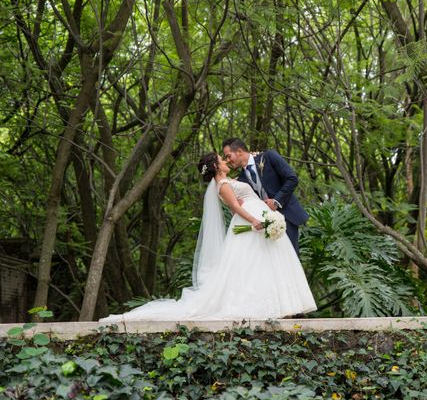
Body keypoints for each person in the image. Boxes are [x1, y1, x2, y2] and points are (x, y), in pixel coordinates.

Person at [99, 152, 316, 322]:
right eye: (222, 160)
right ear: (215, 166)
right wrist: (254, 221)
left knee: (265, 265)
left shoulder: (230, 180)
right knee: (255, 266)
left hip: (258, 217)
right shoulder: (222, 186)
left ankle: (282, 306)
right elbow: (234, 208)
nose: (225, 161)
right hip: (252, 222)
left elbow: (240, 196)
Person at [222, 138, 308, 255]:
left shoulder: (269, 157)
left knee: (290, 257)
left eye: (228, 156)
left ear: (239, 151)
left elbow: (292, 179)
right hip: (264, 224)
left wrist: (276, 201)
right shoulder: (241, 179)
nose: (227, 160)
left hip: (287, 215)